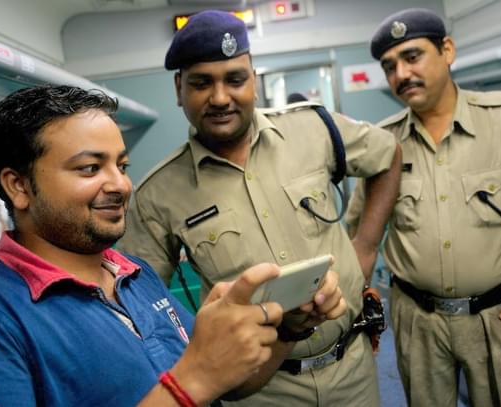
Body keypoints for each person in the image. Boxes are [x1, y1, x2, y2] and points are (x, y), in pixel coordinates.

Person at [0, 84, 347, 406]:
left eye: (121, 166)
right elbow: (200, 379)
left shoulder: (132, 274)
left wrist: (288, 330)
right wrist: (194, 379)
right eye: (90, 168)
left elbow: (223, 381)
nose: (121, 185)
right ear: (18, 186)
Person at [119, 9, 402, 407]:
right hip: (260, 390)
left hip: (353, 367)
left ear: (253, 80)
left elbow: (388, 155)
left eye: (235, 80)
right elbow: (140, 310)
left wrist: (367, 245)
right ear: (179, 88)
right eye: (202, 83)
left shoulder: (313, 129)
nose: (220, 98)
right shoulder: (157, 195)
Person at [345, 8, 501, 406]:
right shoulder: (383, 143)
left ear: (447, 50)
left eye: (413, 57)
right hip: (417, 321)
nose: (401, 74)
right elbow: (358, 237)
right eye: (389, 66)